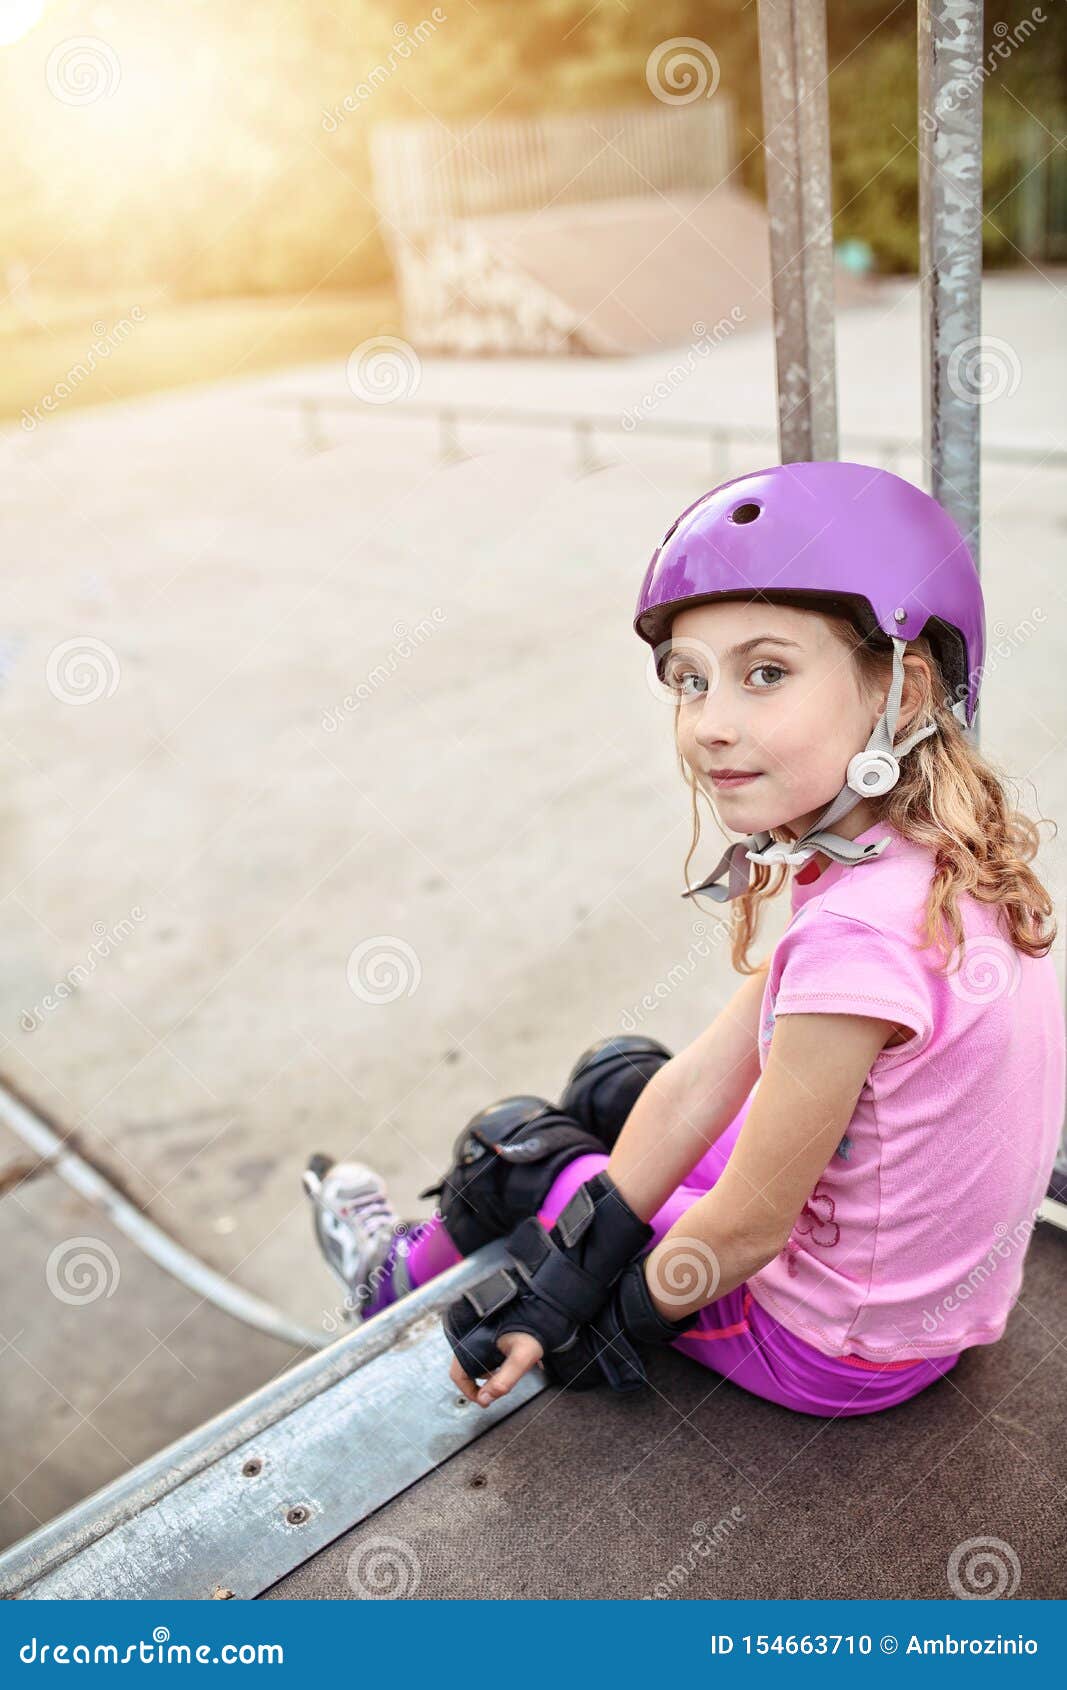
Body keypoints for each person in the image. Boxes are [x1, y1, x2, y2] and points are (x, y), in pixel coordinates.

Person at [303, 461, 1064, 1420]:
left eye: (765, 673)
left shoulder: (856, 940)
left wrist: (578, 1309)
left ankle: (388, 1278)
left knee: (515, 1152)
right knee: (622, 1087)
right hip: (930, 1311)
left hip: (830, 1347)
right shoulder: (925, 862)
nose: (709, 725)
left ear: (903, 693)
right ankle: (500, 1223)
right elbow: (705, 1077)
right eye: (689, 683)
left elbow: (744, 1231)